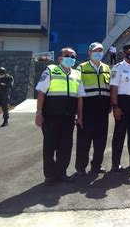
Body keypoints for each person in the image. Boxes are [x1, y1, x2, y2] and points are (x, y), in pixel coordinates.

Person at [35, 47, 85, 186]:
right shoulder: (50, 70)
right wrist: (39, 113)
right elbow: (41, 93)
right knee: (50, 146)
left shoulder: (77, 74)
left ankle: (61, 173)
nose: (71, 58)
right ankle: (50, 176)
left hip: (68, 117)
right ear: (60, 58)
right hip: (51, 116)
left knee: (65, 146)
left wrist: (80, 117)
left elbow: (80, 97)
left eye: (73, 56)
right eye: (67, 55)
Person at [74, 42, 111, 175]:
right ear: (89, 52)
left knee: (101, 140)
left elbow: (110, 89)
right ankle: (81, 167)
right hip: (87, 108)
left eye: (101, 50)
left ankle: (96, 165)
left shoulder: (107, 68)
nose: (99, 53)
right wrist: (79, 114)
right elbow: (78, 93)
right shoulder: (81, 68)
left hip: (103, 109)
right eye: (96, 50)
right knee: (84, 140)